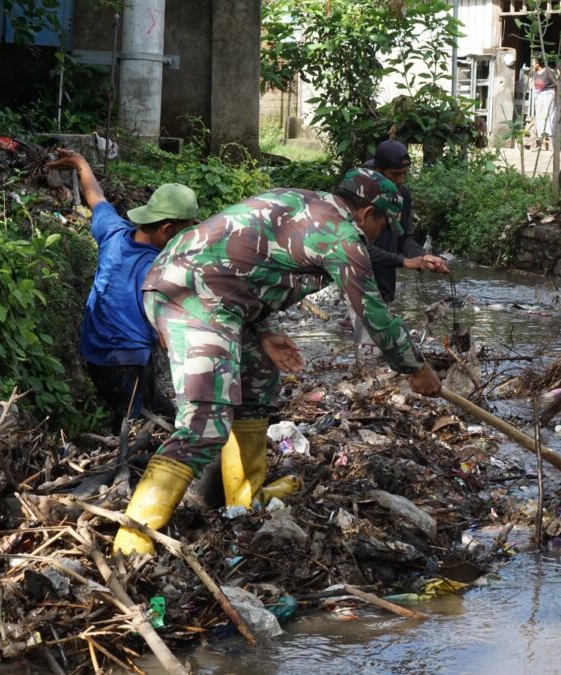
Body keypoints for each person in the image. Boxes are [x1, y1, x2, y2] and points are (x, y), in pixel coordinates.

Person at [112, 168, 442, 554]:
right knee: (204, 422)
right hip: (190, 296)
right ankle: (133, 540)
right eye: (383, 223)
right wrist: (414, 368)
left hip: (214, 294)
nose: (380, 233)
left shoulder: (301, 201)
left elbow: (241, 265)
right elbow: (373, 312)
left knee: (259, 383)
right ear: (368, 213)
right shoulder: (341, 235)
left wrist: (264, 330)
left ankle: (244, 500)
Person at [45, 149, 196, 435]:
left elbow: (96, 198)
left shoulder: (114, 232)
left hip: (94, 355)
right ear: (166, 229)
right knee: (138, 419)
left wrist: (81, 163)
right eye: (185, 231)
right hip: (127, 360)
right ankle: (124, 464)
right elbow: (167, 335)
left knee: (143, 409)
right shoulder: (158, 270)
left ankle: (125, 446)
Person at [363, 140, 450, 303]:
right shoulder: (361, 196)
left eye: (404, 173)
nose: (401, 180)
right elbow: (357, 248)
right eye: (395, 174)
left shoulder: (402, 195)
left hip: (384, 288)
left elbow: (405, 239)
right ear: (378, 170)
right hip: (357, 282)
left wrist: (424, 257)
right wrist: (405, 262)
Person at [530, 55, 557, 150]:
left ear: (537, 63)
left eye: (533, 62)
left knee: (548, 116)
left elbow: (556, 83)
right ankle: (541, 141)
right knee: (539, 117)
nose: (532, 64)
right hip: (539, 95)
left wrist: (556, 96)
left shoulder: (548, 71)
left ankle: (549, 141)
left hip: (548, 94)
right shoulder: (535, 73)